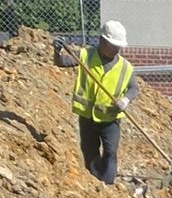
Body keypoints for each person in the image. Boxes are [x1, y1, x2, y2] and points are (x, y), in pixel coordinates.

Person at [58, 21, 137, 185]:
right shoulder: (86, 56)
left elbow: (133, 89)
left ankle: (108, 185)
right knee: (90, 150)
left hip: (111, 118)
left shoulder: (125, 67)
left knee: (110, 151)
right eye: (114, 45)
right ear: (102, 41)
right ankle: (94, 182)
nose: (117, 49)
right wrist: (56, 51)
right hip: (88, 116)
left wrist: (125, 99)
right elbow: (62, 62)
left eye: (119, 46)